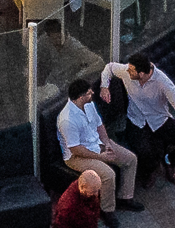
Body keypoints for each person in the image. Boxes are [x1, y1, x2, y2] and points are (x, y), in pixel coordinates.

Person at [104, 55, 175, 183]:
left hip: (159, 120)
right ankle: (149, 171)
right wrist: (104, 86)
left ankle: (169, 161)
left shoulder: (163, 83)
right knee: (145, 153)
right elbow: (109, 68)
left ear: (142, 74)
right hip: (136, 121)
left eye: (131, 70)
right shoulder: (126, 71)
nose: (127, 71)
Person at [56, 74, 139, 210]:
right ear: (81, 97)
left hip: (97, 144)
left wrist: (107, 143)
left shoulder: (89, 105)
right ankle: (107, 210)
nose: (92, 94)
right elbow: (76, 149)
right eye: (89, 93)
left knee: (130, 159)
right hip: (77, 156)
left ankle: (125, 198)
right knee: (108, 175)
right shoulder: (67, 120)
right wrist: (101, 157)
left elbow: (99, 126)